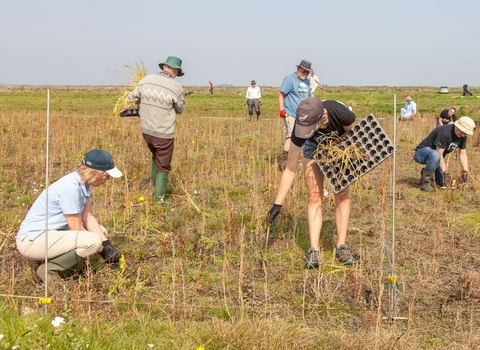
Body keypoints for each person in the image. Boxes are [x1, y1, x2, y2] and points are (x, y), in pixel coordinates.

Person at [267, 97, 356, 268]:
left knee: (342, 193)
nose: (306, 130)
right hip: (312, 147)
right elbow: (290, 168)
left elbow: (352, 136)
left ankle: (341, 245)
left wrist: (340, 153)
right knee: (315, 197)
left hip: (338, 145)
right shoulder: (301, 129)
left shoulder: (342, 114)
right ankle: (314, 249)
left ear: (322, 116)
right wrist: (277, 204)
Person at [16, 149, 123, 285]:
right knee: (93, 241)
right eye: (107, 176)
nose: (107, 180)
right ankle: (48, 270)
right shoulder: (71, 189)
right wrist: (102, 250)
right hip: (31, 241)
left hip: (47, 233)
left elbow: (87, 217)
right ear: (96, 173)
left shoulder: (82, 183)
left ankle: (49, 259)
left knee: (101, 232)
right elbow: (76, 228)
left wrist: (107, 245)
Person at [128, 56, 185, 202]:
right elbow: (180, 109)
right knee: (164, 164)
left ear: (164, 67)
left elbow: (131, 97)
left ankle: (155, 188)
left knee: (156, 156)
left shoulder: (146, 80)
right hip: (163, 133)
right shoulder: (176, 87)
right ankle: (159, 199)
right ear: (175, 71)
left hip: (146, 131)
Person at [413, 116, 474, 192]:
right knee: (436, 156)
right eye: (462, 132)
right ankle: (425, 183)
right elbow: (439, 153)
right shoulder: (445, 132)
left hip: (437, 157)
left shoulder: (463, 136)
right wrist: (445, 172)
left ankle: (431, 175)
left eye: (465, 133)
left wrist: (465, 170)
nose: (463, 135)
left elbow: (463, 153)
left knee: (444, 183)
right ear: (457, 126)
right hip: (421, 153)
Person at [278, 59, 312, 169]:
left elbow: (309, 96)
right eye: (304, 71)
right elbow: (281, 95)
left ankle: (295, 160)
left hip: (302, 115)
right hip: (290, 113)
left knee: (300, 137)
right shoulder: (289, 79)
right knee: (290, 136)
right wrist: (282, 109)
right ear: (298, 69)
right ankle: (285, 161)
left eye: (307, 72)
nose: (305, 73)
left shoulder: (306, 81)